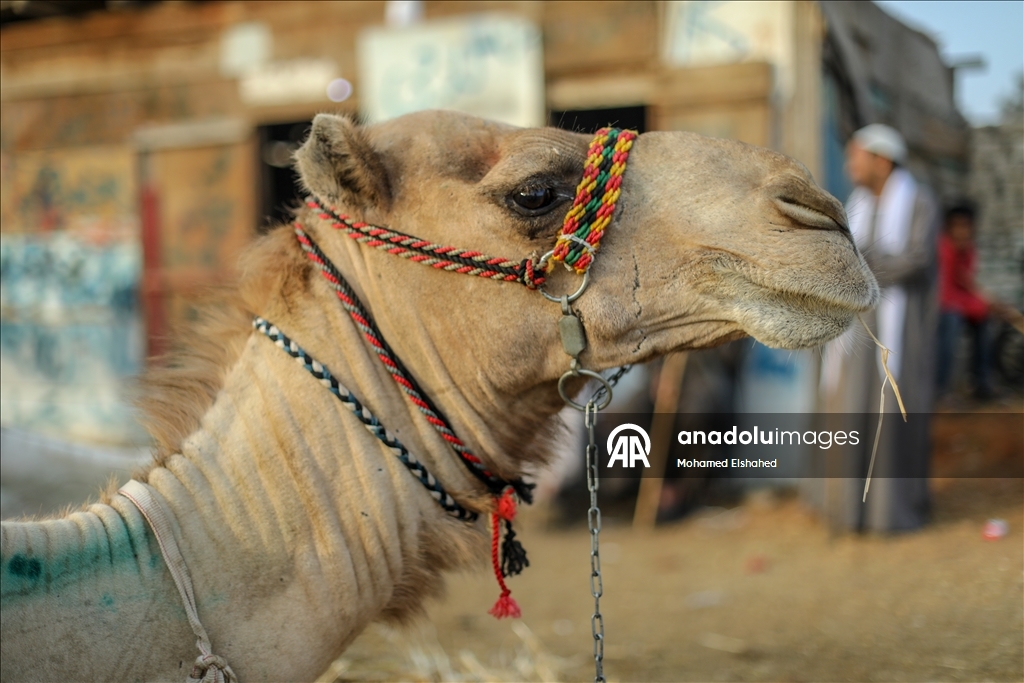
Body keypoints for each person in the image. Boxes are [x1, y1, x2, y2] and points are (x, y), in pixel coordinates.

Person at [816, 124, 939, 533]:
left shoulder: (918, 202)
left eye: (857, 156)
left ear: (882, 161)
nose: (851, 164)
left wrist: (859, 265)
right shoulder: (855, 204)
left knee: (893, 413)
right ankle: (849, 512)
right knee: (849, 413)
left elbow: (917, 258)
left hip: (898, 333)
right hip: (857, 334)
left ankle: (892, 514)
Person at [936, 203, 994, 401]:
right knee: (952, 320)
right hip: (940, 308)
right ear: (948, 227)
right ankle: (940, 388)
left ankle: (981, 383)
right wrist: (977, 305)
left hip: (957, 306)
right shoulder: (943, 250)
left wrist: (983, 305)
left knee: (983, 320)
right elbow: (944, 294)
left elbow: (965, 284)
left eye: (966, 226)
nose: (962, 231)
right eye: (957, 226)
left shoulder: (968, 252)